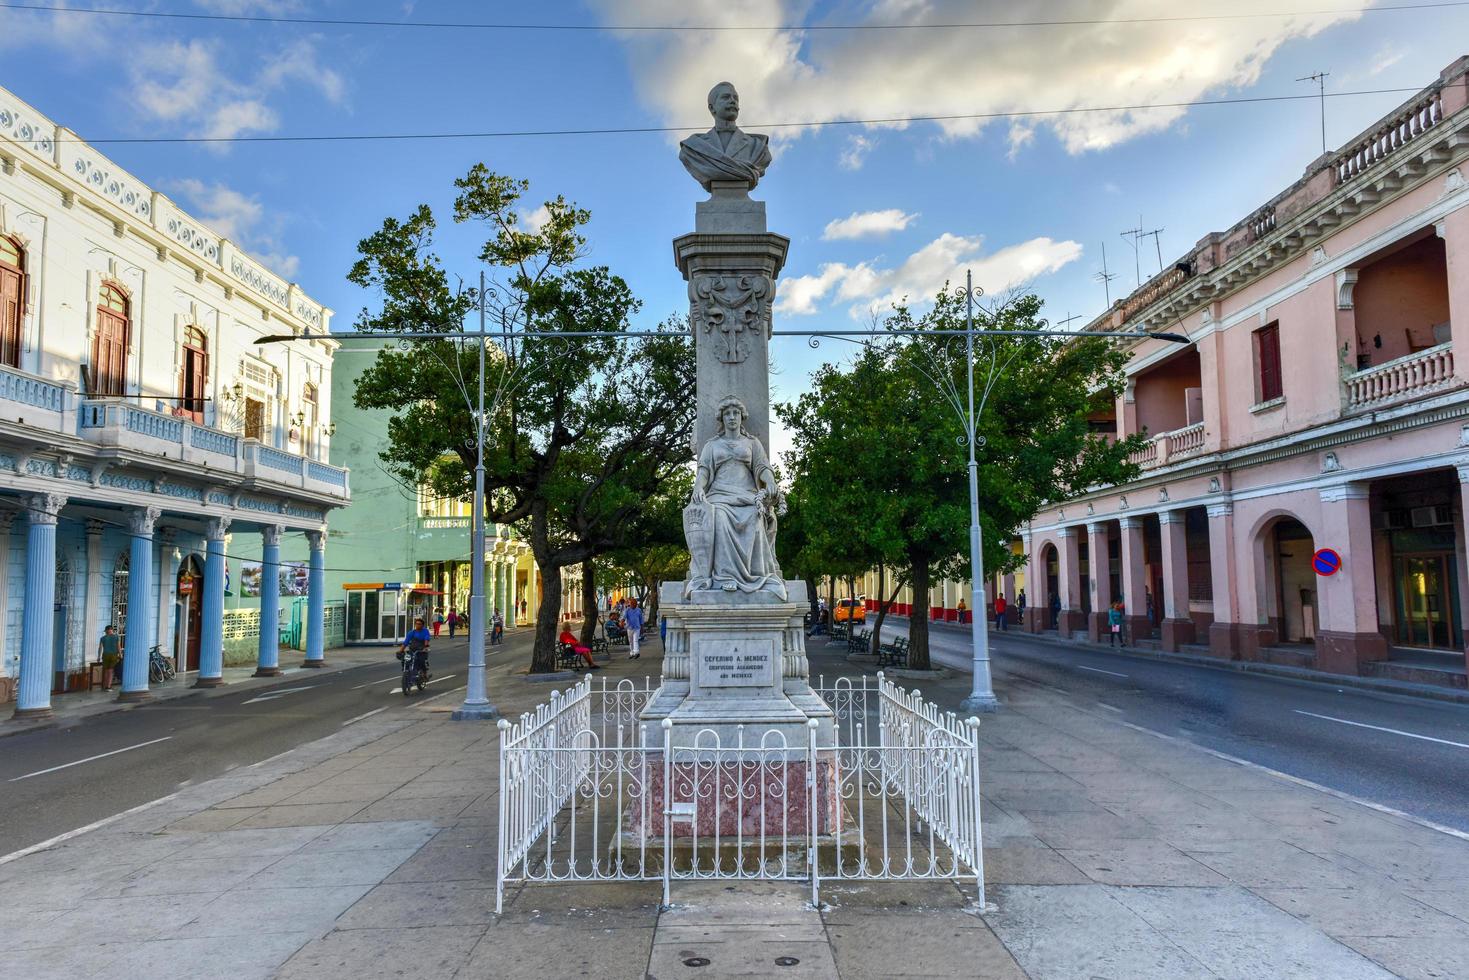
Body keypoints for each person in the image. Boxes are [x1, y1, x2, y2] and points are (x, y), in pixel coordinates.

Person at [97, 624, 121, 691]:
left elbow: (100, 648)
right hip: (113, 655)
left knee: (106, 670)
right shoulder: (116, 637)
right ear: (112, 630)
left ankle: (104, 686)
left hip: (105, 655)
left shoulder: (103, 638)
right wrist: (120, 655)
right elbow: (118, 647)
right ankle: (108, 686)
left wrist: (98, 657)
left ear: (106, 631)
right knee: (110, 671)